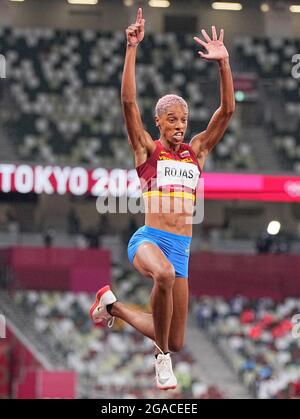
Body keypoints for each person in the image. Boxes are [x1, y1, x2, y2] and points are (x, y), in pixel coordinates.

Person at [90, 8, 235, 390]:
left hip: (181, 248)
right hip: (150, 241)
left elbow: (227, 112)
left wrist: (224, 65)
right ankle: (160, 360)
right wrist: (131, 48)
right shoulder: (146, 151)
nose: (179, 125)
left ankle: (112, 306)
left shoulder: (196, 152)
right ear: (159, 122)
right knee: (164, 277)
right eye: (172, 119)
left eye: (183, 120)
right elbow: (127, 105)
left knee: (175, 338)